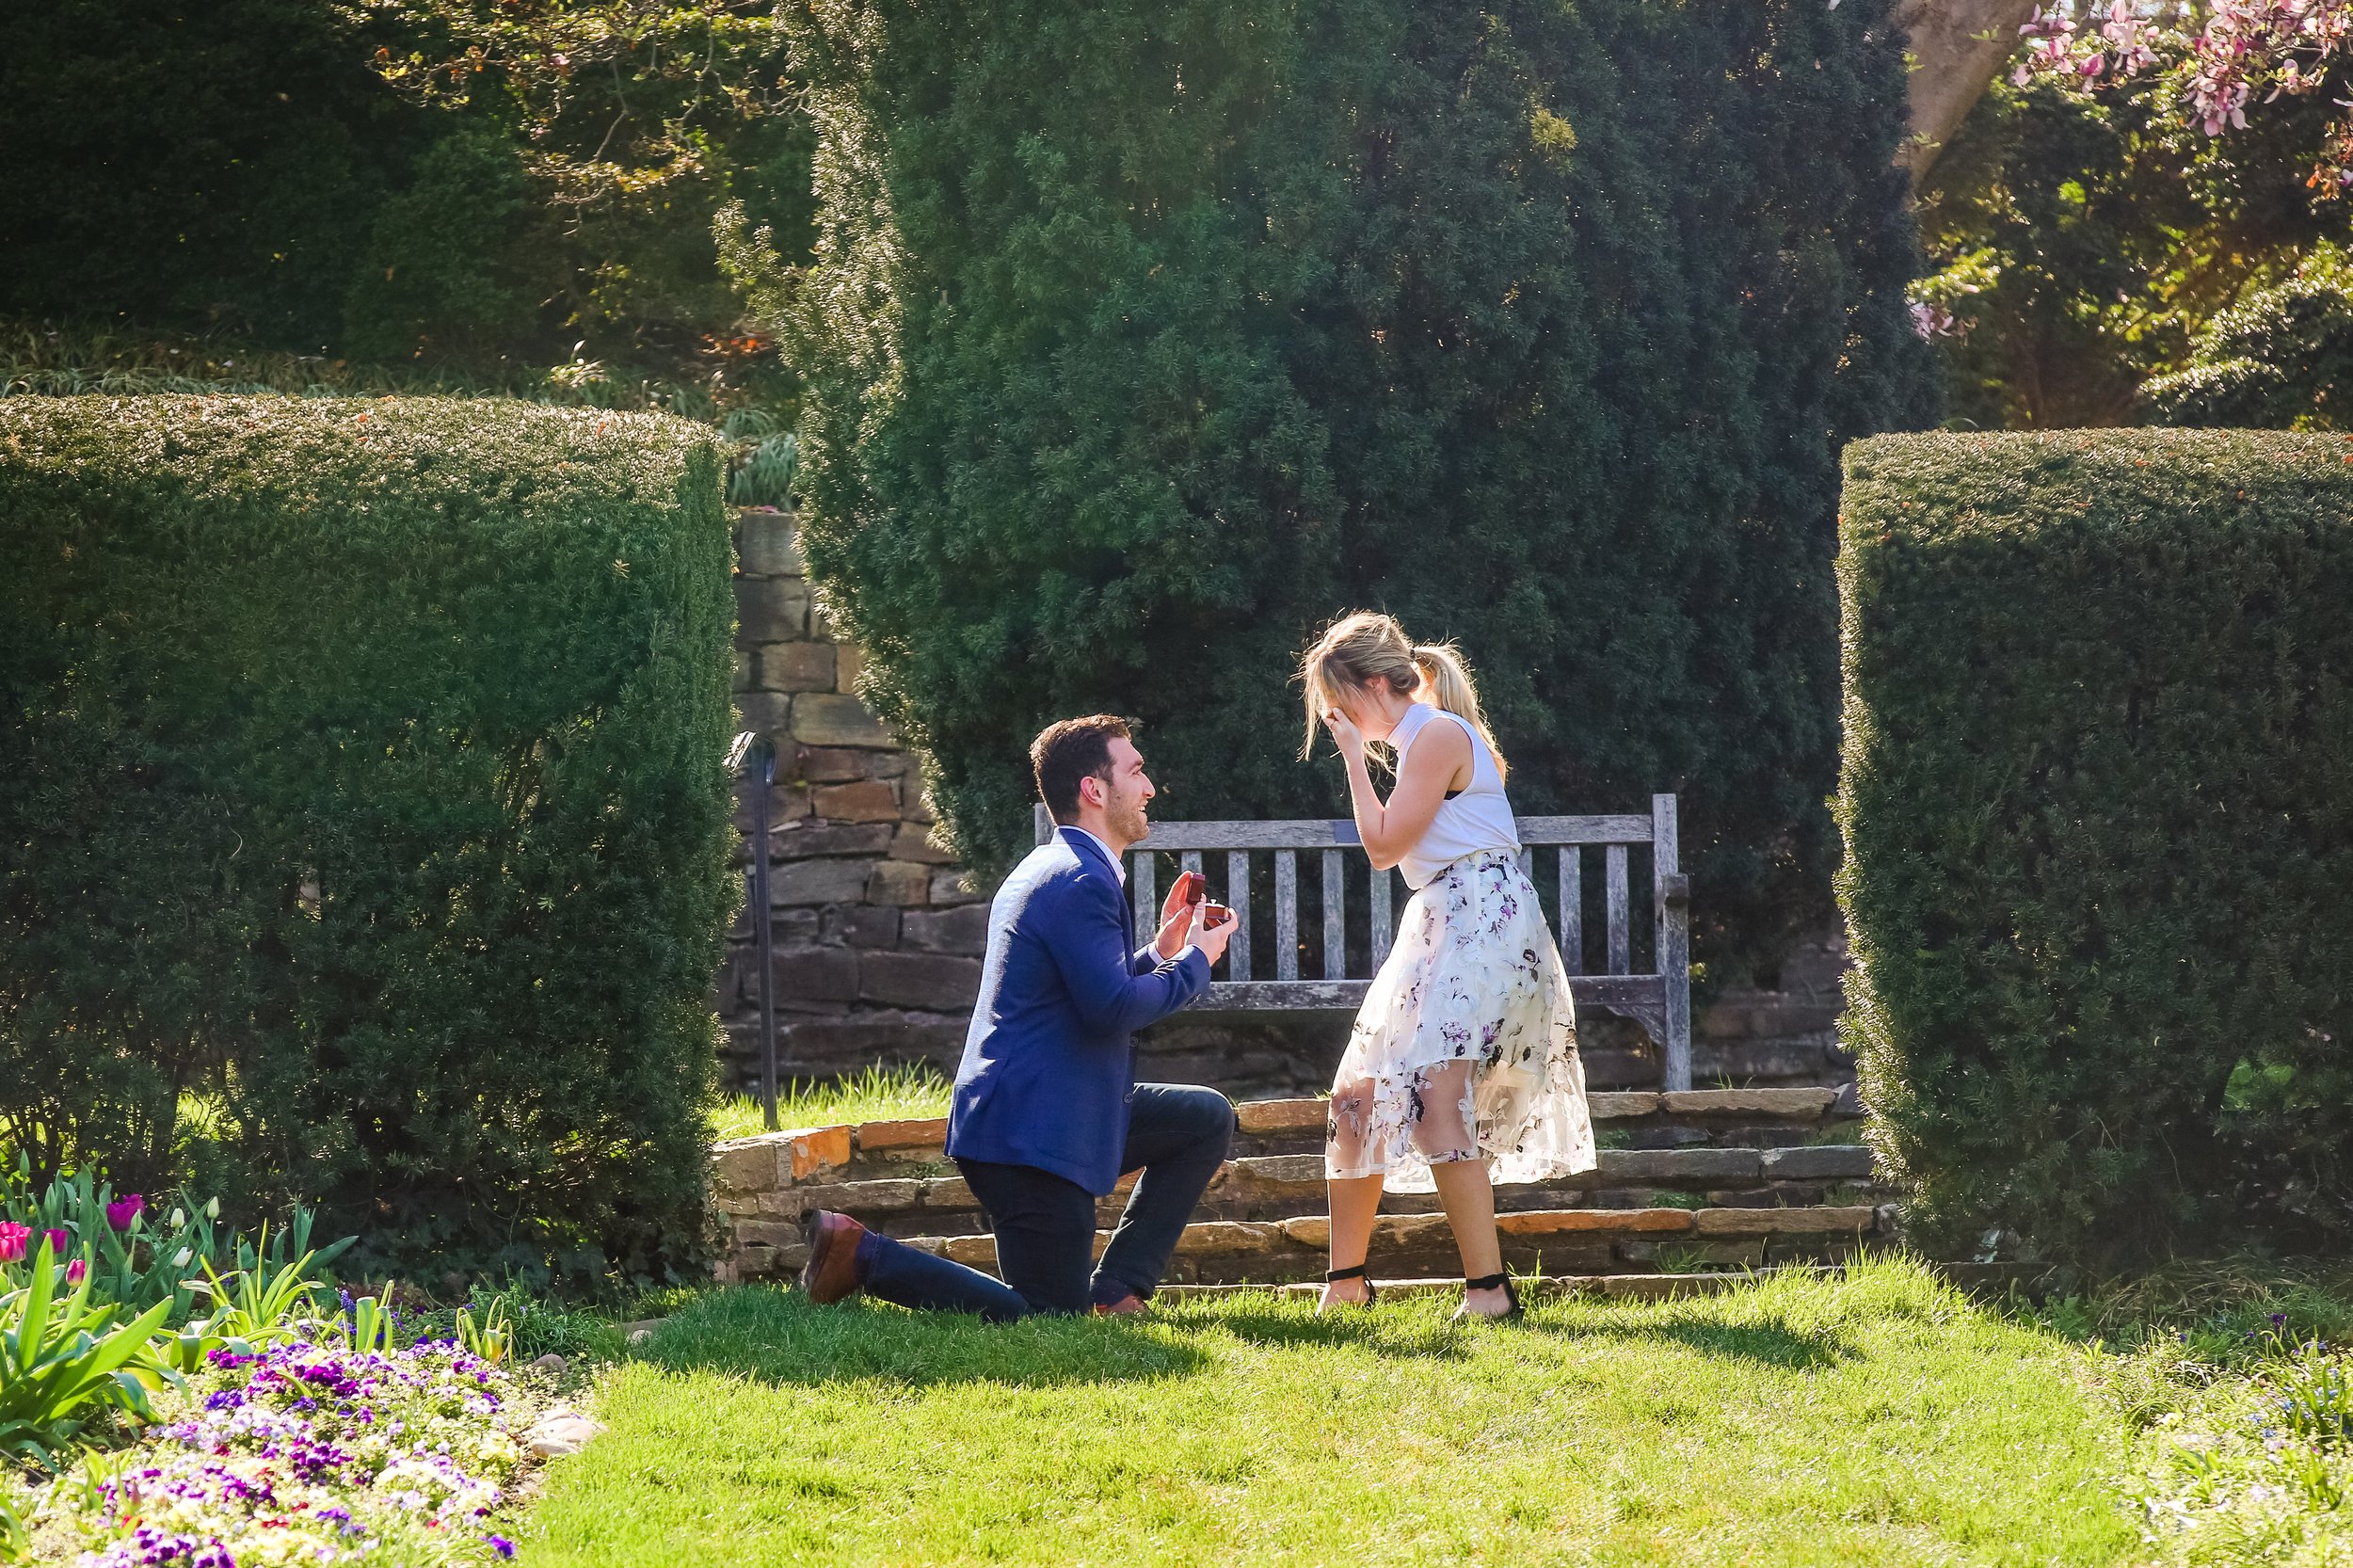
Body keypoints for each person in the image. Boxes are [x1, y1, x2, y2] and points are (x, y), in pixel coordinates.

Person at [797, 714, 1241, 1320]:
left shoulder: (1056, 867)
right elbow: (1111, 1009)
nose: (1149, 787)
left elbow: (1086, 990)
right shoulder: (1080, 880)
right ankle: (862, 1254)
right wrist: (1195, 962)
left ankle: (1117, 1291)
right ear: (1094, 789)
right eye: (1136, 771)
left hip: (1055, 1108)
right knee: (1048, 1315)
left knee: (1203, 1118)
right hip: (1029, 1134)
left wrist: (1162, 951)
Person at [1300, 612, 1595, 1320]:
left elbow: (1381, 847)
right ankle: (1345, 1283)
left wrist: (1348, 758)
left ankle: (1489, 1294)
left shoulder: (1433, 734)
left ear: (1375, 683)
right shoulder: (1422, 741)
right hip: (1441, 919)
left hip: (1480, 918)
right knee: (1357, 1095)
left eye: (1339, 705)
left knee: (1437, 1098)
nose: (1336, 719)